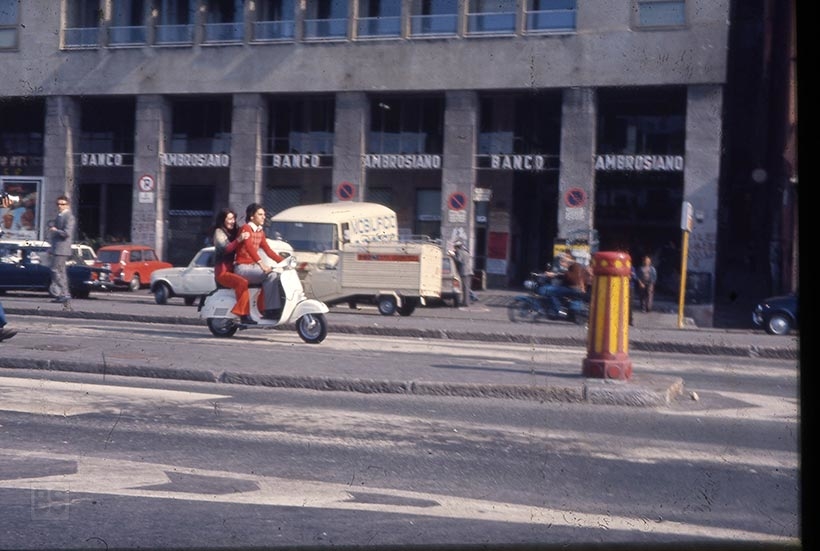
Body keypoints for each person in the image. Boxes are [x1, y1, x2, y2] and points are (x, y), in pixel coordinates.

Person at [234, 203, 285, 320]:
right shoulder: (246, 228)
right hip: (242, 268)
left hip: (253, 267)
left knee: (277, 276)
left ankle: (272, 308)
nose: (264, 217)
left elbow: (268, 250)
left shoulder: (260, 232)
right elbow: (249, 247)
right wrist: (262, 264)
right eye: (260, 214)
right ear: (252, 216)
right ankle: (270, 310)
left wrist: (284, 262)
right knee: (271, 275)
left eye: (264, 215)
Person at [212, 208, 255, 325]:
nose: (232, 221)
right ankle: (243, 314)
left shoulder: (234, 231)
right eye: (229, 219)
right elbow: (225, 249)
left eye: (233, 219)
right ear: (223, 220)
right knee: (242, 283)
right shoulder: (218, 232)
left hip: (233, 270)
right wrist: (239, 239)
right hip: (222, 272)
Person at [47, 194, 76, 304]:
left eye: (63, 204)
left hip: (62, 249)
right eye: (58, 204)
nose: (60, 206)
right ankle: (63, 294)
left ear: (67, 205)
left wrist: (55, 230)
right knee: (61, 272)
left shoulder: (69, 217)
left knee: (54, 270)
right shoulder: (59, 216)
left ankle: (64, 292)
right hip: (57, 248)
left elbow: (67, 233)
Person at [451, 240, 473, 308]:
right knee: (467, 287)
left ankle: (465, 303)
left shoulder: (459, 252)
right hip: (469, 271)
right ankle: (466, 301)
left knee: (464, 288)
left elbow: (459, 260)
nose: (455, 249)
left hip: (464, 272)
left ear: (457, 247)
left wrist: (453, 256)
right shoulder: (466, 252)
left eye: (455, 247)